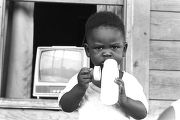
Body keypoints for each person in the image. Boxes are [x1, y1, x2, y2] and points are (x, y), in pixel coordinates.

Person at [58, 11, 148, 120]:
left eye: (114, 47)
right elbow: (65, 106)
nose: (107, 53)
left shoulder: (128, 82)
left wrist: (124, 101)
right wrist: (80, 88)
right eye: (99, 48)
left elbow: (142, 114)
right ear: (88, 50)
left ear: (124, 50)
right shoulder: (83, 80)